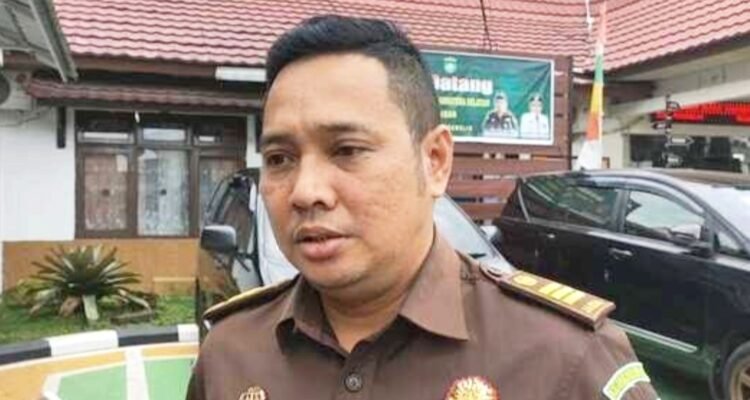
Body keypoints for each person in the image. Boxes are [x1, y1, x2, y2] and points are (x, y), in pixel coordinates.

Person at [187, 15, 658, 400]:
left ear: (434, 161)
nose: (306, 191)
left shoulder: (566, 358)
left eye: (347, 150)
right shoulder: (230, 353)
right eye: (279, 159)